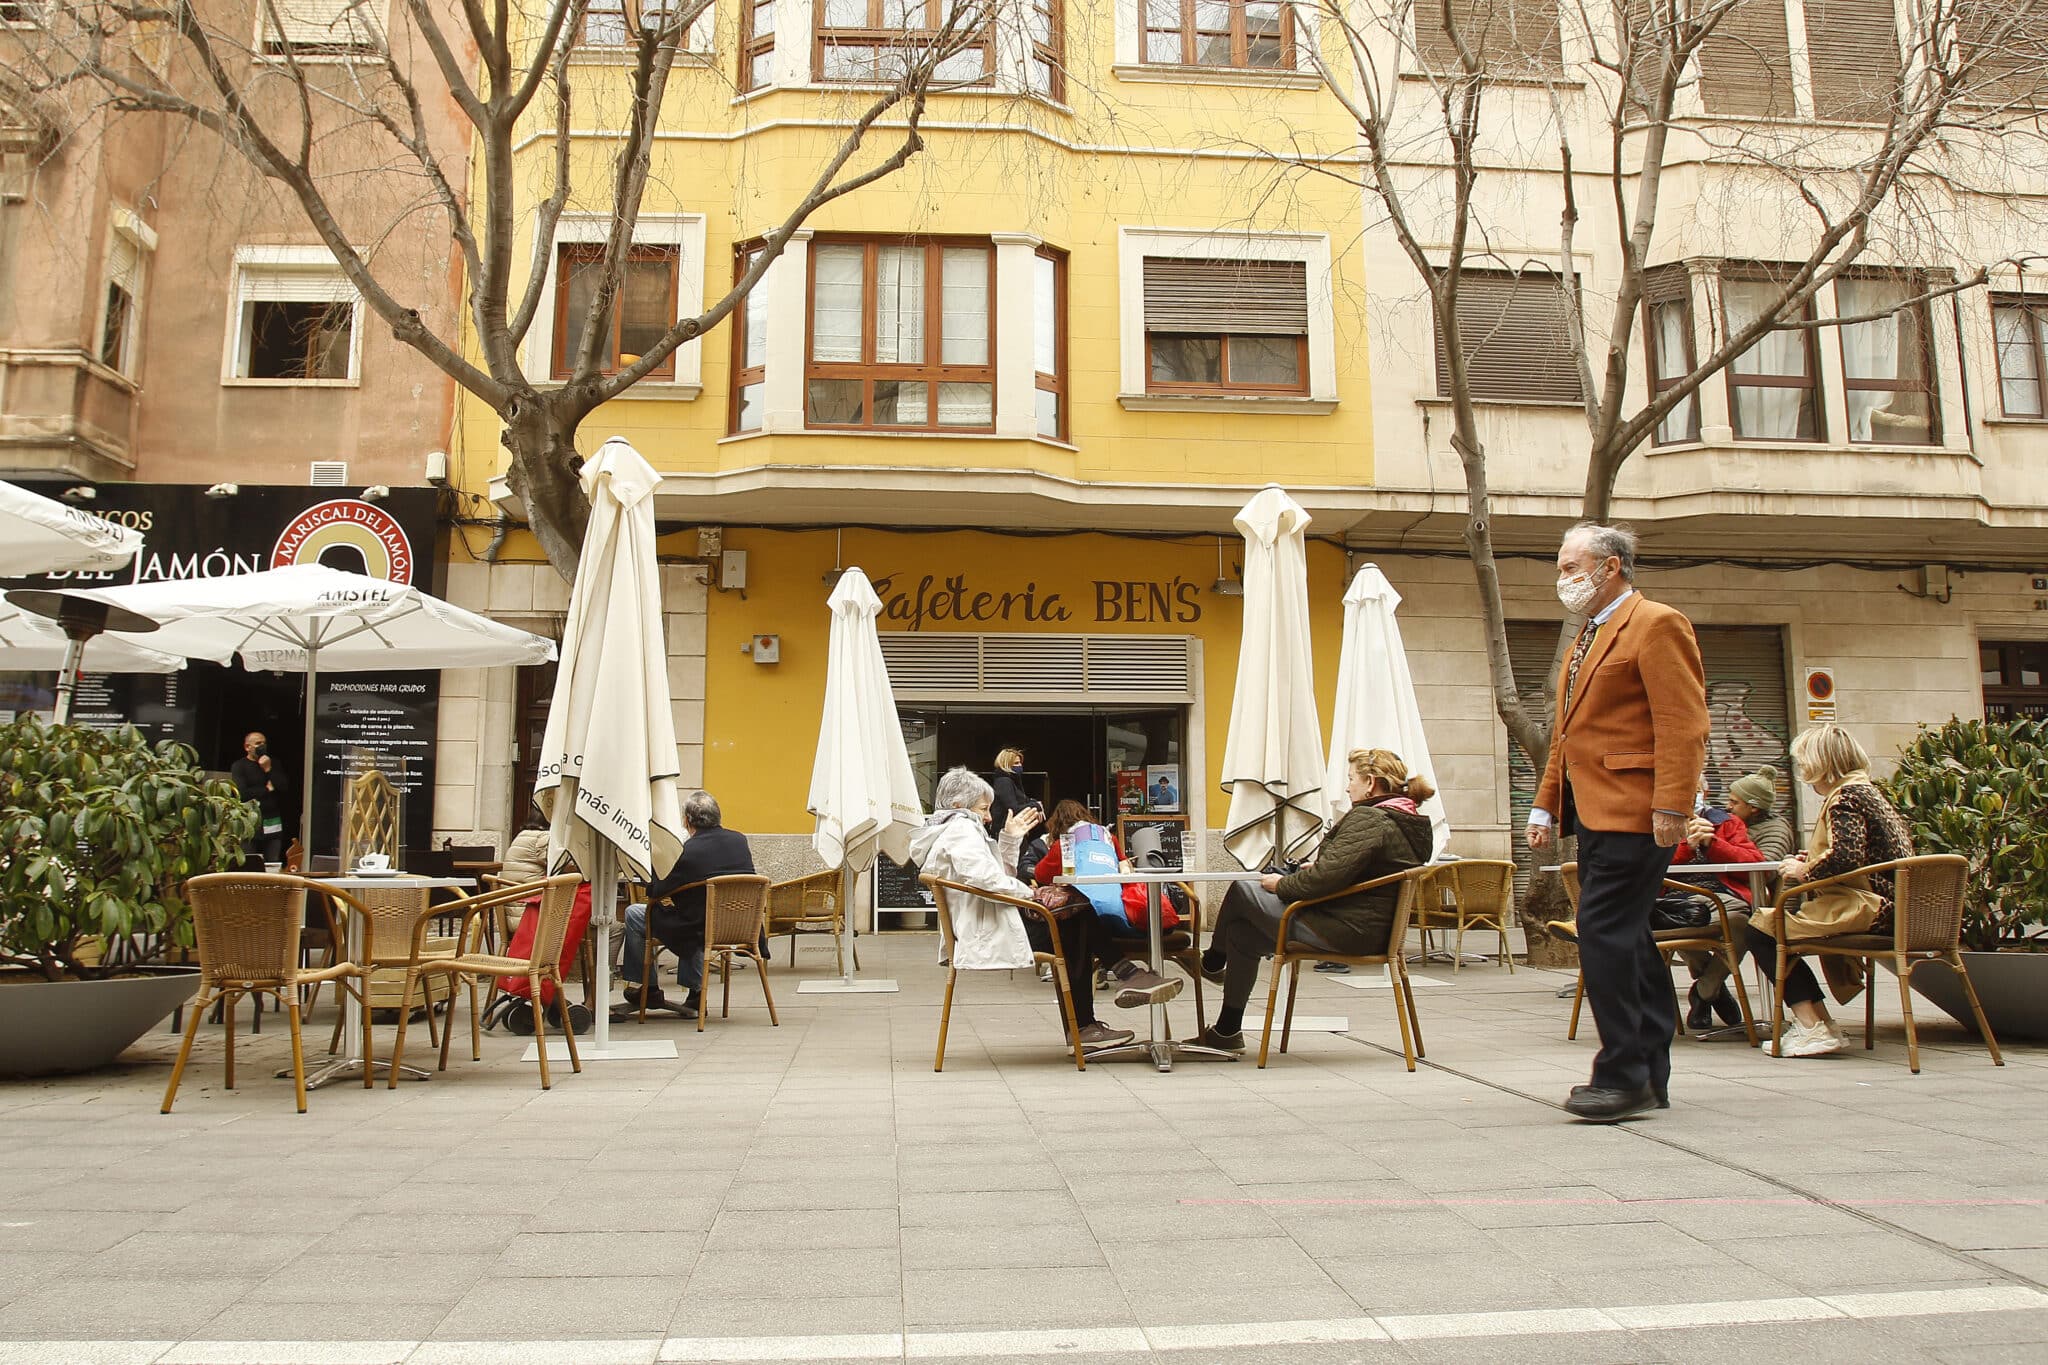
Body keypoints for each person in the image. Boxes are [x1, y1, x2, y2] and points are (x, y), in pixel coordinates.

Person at [1529, 521, 1709, 1122]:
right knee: (1628, 938)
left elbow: (1684, 722)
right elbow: (1568, 734)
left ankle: (1623, 1073)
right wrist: (1545, 803)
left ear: (1610, 568)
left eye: (1569, 567)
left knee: (1602, 932)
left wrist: (1673, 806)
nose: (1562, 580)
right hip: (1594, 811)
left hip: (1636, 810)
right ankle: (1648, 1074)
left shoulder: (1656, 623)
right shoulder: (1587, 635)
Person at [1196, 748, 1437, 1052]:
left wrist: (1283, 883)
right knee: (1242, 935)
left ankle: (1211, 962)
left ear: (1371, 782)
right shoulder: (1406, 820)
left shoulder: (1371, 818)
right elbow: (1361, 871)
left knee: (1244, 887)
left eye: (1351, 779)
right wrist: (1320, 869)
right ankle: (1227, 1031)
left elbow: (1324, 880)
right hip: (1371, 928)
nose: (1348, 787)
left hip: (1347, 929)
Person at [908, 767, 1162, 1051]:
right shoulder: (961, 829)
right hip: (986, 930)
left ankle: (1095, 1016)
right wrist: (1030, 893)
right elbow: (985, 879)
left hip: (982, 924)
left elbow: (993, 875)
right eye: (984, 809)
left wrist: (1010, 839)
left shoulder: (952, 830)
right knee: (1077, 918)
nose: (989, 816)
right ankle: (1109, 996)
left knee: (1075, 920)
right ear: (958, 806)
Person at [1745, 724, 1913, 1058]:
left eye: (1803, 761)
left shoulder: (1845, 798)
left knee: (1762, 930)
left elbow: (1846, 858)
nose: (1801, 770)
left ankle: (1811, 1025)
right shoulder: (1867, 791)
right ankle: (1821, 1024)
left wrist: (1803, 869)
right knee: (1775, 928)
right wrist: (1817, 859)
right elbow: (1859, 853)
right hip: (1896, 906)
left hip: (1871, 907)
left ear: (1819, 762)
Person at [1033, 799, 1186, 1009]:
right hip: (1126, 917)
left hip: (1089, 919)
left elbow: (1041, 874)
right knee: (1085, 924)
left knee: (1078, 925)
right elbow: (1126, 867)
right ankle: (1132, 976)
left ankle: (1090, 1017)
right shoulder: (1109, 838)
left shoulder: (1065, 844)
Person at [621, 790, 754, 1018]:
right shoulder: (739, 840)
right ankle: (695, 994)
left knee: (635, 912)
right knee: (696, 913)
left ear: (687, 820)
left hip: (697, 925)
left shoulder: (686, 850)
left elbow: (656, 890)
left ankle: (649, 988)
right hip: (738, 925)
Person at [229, 731, 288, 867]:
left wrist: (268, 769)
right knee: (249, 862)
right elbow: (242, 794)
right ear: (247, 747)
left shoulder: (274, 763)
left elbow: (283, 787)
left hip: (272, 821)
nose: (262, 746)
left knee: (273, 862)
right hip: (249, 821)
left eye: (264, 743)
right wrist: (267, 789)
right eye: (257, 743)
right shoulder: (239, 766)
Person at [1729, 765, 1794, 863]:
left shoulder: (1775, 832)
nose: (1728, 806)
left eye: (1734, 802)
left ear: (1754, 807)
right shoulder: (1740, 823)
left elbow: (1764, 870)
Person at [989, 748, 1033, 832]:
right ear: (1006, 764)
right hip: (1004, 831)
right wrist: (1035, 806)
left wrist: (1034, 802)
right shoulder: (1004, 781)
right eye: (1016, 763)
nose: (1020, 766)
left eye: (1020, 763)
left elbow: (1023, 799)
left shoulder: (1013, 780)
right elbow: (1013, 809)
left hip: (1012, 829)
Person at [502, 815, 551, 885]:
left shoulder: (521, 834)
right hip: (527, 889)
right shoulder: (544, 835)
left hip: (507, 887)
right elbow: (552, 863)